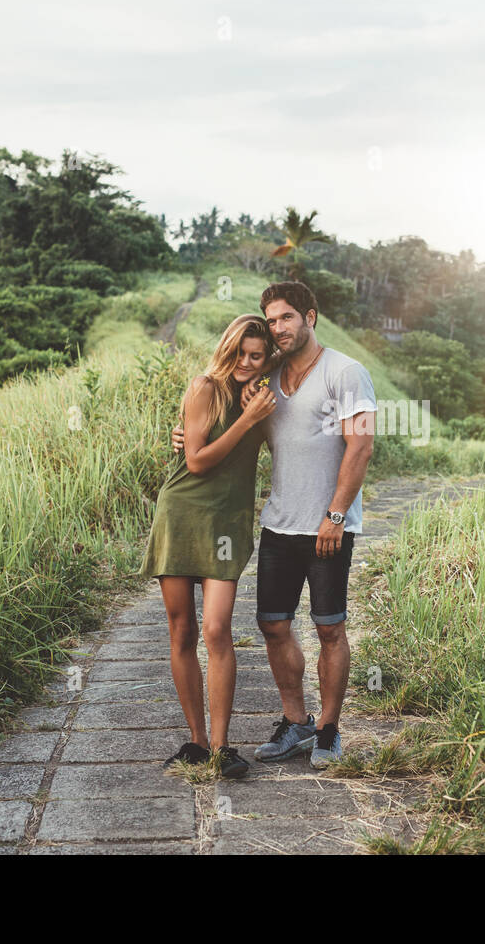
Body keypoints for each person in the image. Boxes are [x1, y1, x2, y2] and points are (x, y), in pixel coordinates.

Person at [174, 281, 377, 769]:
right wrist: (185, 435)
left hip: (329, 526)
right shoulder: (267, 381)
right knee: (272, 625)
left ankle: (329, 730)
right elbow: (231, 430)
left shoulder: (347, 372)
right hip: (279, 524)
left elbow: (362, 446)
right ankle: (296, 723)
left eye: (287, 317)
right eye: (273, 319)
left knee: (329, 628)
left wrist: (335, 515)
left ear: (310, 317)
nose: (279, 327)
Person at [138, 313, 278, 779]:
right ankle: (196, 742)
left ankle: (221, 746)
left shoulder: (264, 399)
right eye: (239, 351)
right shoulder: (205, 388)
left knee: (217, 630)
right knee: (182, 631)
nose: (246, 362)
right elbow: (195, 461)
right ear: (227, 348)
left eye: (256, 355)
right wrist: (247, 421)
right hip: (180, 514)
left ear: (266, 359)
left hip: (226, 523)